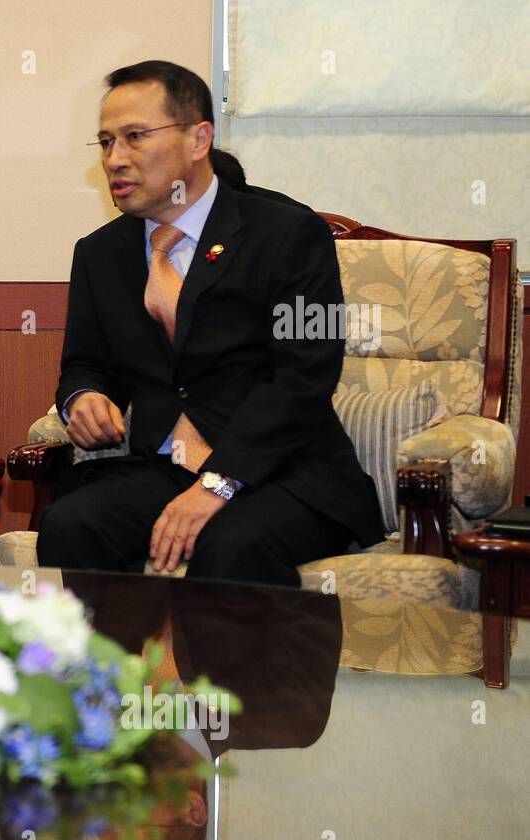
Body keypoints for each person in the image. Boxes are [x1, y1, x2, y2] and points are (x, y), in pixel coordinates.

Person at [37, 60, 382, 587]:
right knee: (73, 523)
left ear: (199, 139)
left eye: (134, 137)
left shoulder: (290, 234)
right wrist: (82, 396)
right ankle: (116, 671)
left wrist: (219, 482)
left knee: (231, 541)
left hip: (284, 472)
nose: (115, 159)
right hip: (164, 467)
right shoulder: (99, 255)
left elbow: (303, 378)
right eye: (106, 142)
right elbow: (86, 364)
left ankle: (248, 673)